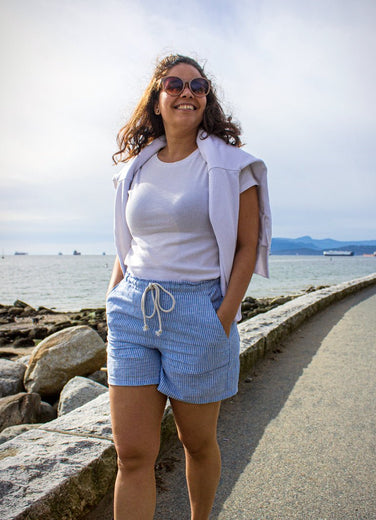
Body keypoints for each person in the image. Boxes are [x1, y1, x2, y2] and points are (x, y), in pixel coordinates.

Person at [106, 54, 271, 520]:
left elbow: (247, 245)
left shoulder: (232, 166)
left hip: (200, 312)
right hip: (133, 310)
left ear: (206, 99)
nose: (187, 93)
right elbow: (128, 242)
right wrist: (113, 297)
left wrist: (223, 317)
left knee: (195, 443)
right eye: (174, 84)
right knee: (131, 455)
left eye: (198, 86)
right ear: (156, 99)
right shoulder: (137, 167)